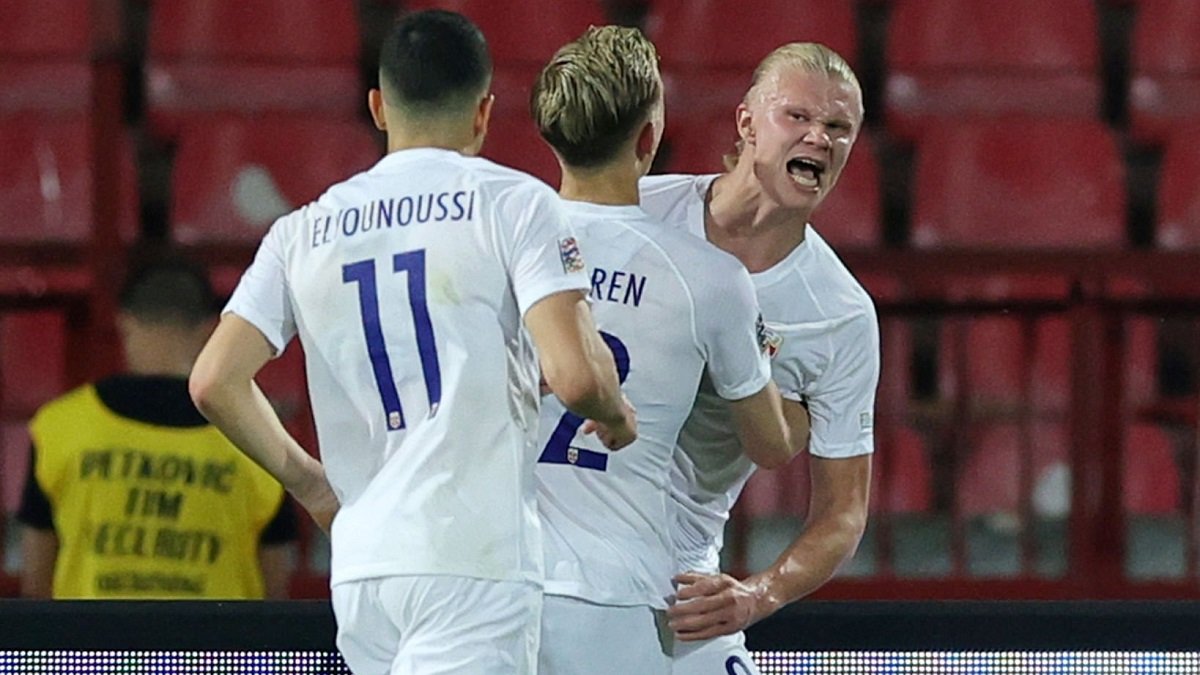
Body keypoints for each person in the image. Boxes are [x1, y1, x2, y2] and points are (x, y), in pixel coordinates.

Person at [188, 10, 636, 675]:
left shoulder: (302, 230)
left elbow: (213, 381)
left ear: (378, 107)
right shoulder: (513, 203)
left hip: (364, 569)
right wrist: (614, 413)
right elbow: (576, 376)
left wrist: (314, 487)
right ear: (484, 113)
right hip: (472, 561)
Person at [529, 26, 808, 675]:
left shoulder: (499, 249)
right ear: (649, 138)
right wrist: (800, 396)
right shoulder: (708, 277)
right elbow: (771, 444)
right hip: (615, 595)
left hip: (491, 585)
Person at [639, 42, 878, 674]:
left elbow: (842, 513)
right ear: (746, 122)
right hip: (554, 551)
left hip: (680, 585)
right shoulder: (641, 213)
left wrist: (758, 595)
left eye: (838, 127)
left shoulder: (841, 314)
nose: (819, 138)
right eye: (797, 116)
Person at [16, 254, 297, 599]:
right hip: (213, 635)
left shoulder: (61, 426)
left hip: (92, 635)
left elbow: (36, 586)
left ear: (124, 320)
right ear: (211, 328)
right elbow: (275, 593)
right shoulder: (256, 435)